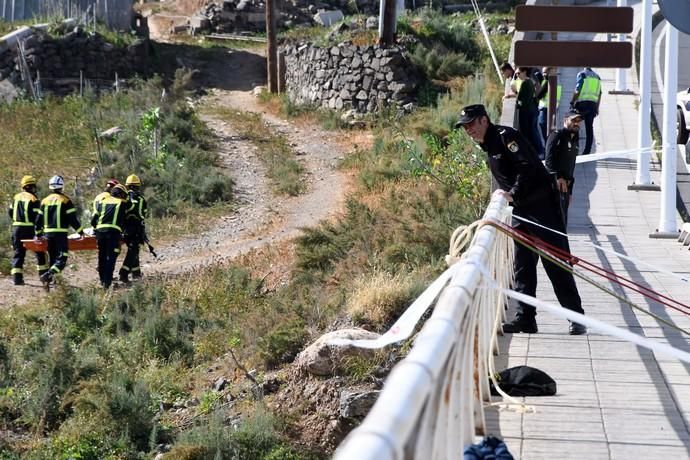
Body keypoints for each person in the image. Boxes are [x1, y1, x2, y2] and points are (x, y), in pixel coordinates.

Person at [455, 104, 586, 335]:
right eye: (465, 127)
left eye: (471, 124)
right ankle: (525, 318)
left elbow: (526, 167)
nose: (469, 130)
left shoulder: (505, 137)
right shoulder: (489, 144)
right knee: (522, 264)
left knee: (555, 262)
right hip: (521, 209)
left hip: (541, 206)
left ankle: (576, 317)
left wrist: (512, 193)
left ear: (484, 120)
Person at [35, 175, 84, 287]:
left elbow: (38, 220)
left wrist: (38, 234)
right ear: (62, 186)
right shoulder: (65, 201)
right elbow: (72, 219)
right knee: (62, 258)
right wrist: (80, 232)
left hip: (48, 234)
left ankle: (52, 281)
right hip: (60, 234)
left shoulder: (44, 201)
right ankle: (48, 275)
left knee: (53, 257)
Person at [7, 175, 48, 285]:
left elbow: (10, 212)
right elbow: (37, 216)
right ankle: (44, 276)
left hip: (17, 228)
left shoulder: (15, 197)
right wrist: (40, 229)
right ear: (31, 187)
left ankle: (17, 279)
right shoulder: (33, 199)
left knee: (18, 253)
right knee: (39, 251)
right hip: (29, 228)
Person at [545, 109, 583, 227]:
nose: (576, 123)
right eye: (573, 120)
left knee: (563, 221)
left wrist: (570, 191)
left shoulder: (575, 138)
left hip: (566, 187)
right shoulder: (557, 135)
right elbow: (549, 160)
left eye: (579, 121)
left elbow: (571, 165)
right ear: (565, 120)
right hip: (555, 185)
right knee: (555, 220)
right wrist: (558, 178)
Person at [92, 184, 130, 288]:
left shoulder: (102, 201)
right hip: (113, 233)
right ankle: (107, 283)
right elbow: (125, 219)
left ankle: (102, 280)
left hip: (100, 232)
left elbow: (93, 220)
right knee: (111, 257)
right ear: (121, 194)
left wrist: (97, 230)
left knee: (102, 256)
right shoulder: (122, 203)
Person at [119, 174, 148, 283]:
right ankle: (124, 273)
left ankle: (136, 273)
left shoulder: (123, 197)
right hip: (136, 228)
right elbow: (142, 215)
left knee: (133, 249)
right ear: (138, 186)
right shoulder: (140, 199)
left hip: (124, 228)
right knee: (133, 250)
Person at [569, 67, 601, 156]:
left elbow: (577, 90)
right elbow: (599, 94)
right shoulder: (597, 77)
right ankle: (587, 151)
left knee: (574, 125)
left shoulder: (582, 74)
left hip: (582, 105)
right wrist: (597, 107)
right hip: (592, 105)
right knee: (589, 128)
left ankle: (575, 148)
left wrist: (572, 101)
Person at [515, 67, 545, 160]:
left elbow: (520, 99)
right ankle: (539, 151)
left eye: (518, 73)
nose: (517, 75)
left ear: (524, 72)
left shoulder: (525, 83)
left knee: (528, 133)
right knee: (533, 131)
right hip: (532, 110)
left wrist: (518, 104)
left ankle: (534, 152)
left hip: (526, 112)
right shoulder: (530, 82)